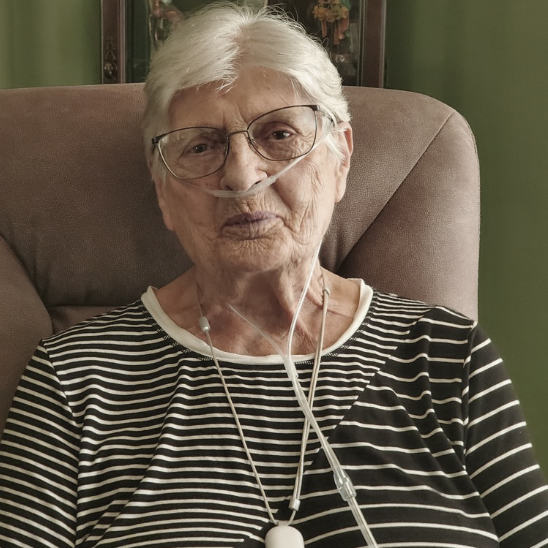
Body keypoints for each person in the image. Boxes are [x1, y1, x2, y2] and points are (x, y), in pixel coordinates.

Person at [1, 4, 547, 547]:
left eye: (279, 134)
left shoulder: (447, 354)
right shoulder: (77, 378)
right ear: (163, 191)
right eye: (201, 146)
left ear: (340, 158)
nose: (241, 174)